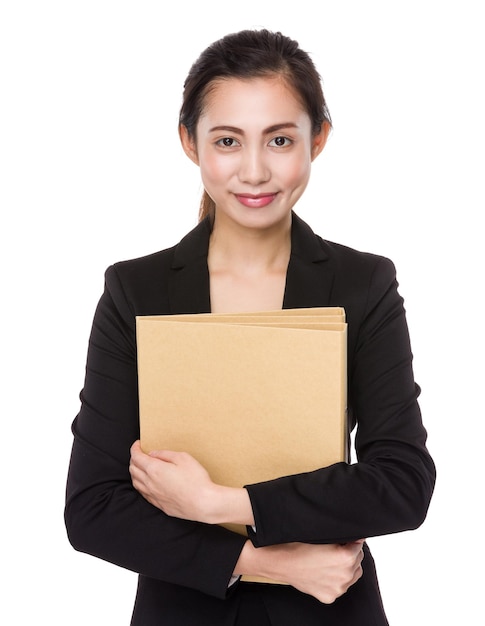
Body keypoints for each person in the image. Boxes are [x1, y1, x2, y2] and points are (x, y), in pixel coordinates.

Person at [64, 29, 436, 625]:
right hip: (186, 611)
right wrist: (268, 562)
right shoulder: (136, 292)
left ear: (320, 138)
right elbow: (93, 509)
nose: (256, 171)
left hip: (330, 612)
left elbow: (402, 483)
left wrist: (220, 503)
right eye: (228, 141)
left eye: (281, 139)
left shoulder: (363, 284)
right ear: (190, 143)